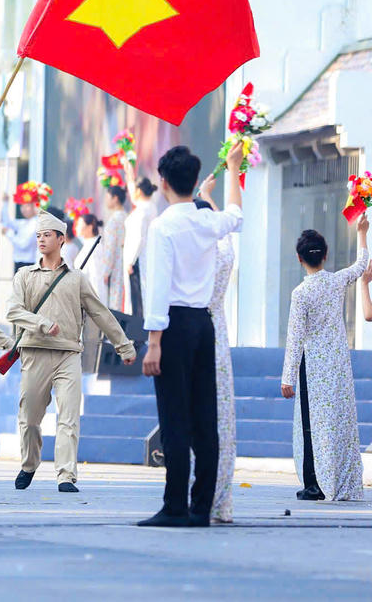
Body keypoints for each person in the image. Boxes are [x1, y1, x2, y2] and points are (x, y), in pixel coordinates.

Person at [138, 142, 244, 527]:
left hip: (174, 325)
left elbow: (159, 288)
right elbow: (235, 214)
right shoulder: (205, 221)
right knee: (204, 417)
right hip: (204, 324)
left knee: (174, 416)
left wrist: (153, 343)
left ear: (162, 182)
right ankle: (201, 507)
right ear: (196, 181)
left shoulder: (163, 226)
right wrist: (233, 167)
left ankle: (175, 505)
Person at [5, 211, 136, 493]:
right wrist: (41, 323)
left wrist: (123, 344)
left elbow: (100, 313)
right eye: (38, 236)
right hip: (34, 352)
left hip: (68, 354)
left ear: (62, 239)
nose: (41, 240)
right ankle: (29, 464)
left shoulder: (76, 278)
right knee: (29, 419)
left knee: (69, 417)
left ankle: (66, 474)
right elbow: (13, 310)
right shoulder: (24, 275)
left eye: (47, 235)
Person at [281, 217, 369, 502]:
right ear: (326, 254)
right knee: (338, 421)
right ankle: (341, 478)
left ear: (299, 258)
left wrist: (287, 377)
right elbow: (360, 266)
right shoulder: (336, 281)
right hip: (338, 363)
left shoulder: (301, 293)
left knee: (311, 424)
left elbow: (295, 337)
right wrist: (362, 233)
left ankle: (314, 484)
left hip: (313, 367)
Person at [195, 178, 238, 523]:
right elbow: (231, 221)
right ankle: (221, 500)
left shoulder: (193, 257)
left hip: (194, 331)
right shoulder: (224, 253)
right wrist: (210, 197)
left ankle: (198, 496)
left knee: (195, 418)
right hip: (218, 332)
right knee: (222, 417)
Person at [124, 170, 160, 317]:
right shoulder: (150, 207)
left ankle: (138, 334)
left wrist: (131, 261)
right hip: (144, 256)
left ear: (138, 191)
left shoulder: (142, 211)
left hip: (137, 258)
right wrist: (129, 172)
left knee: (137, 296)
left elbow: (139, 237)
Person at [99, 185, 128, 312]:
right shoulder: (127, 217)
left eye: (107, 197)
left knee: (114, 304)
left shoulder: (113, 220)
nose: (105, 201)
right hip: (126, 263)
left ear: (115, 198)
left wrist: (105, 272)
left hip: (115, 265)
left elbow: (110, 248)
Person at [2, 193, 39, 273]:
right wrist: (5, 203)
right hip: (19, 263)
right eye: (22, 206)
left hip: (27, 264)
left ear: (34, 206)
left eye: (27, 206)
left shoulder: (35, 224)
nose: (23, 209)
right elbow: (6, 223)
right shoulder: (23, 222)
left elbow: (23, 244)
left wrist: (8, 233)